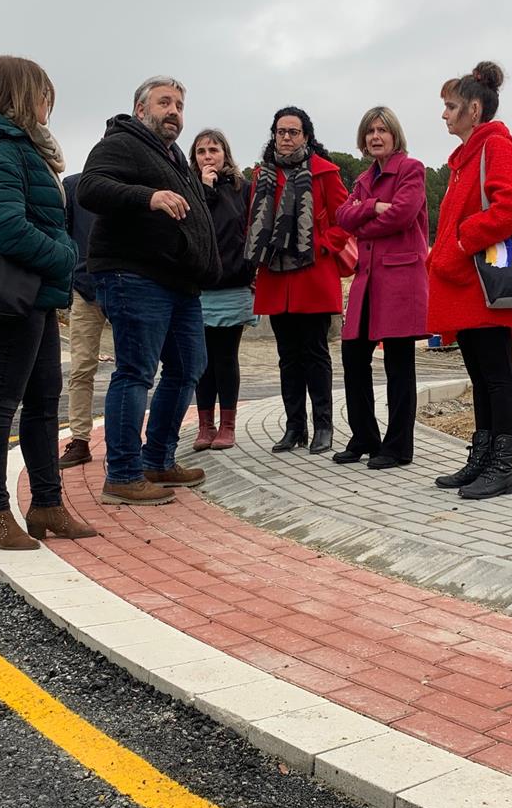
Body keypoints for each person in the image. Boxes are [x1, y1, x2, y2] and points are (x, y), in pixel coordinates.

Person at [0, 55, 96, 547]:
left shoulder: (26, 149)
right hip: (15, 293)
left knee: (42, 402)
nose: (49, 103)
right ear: (21, 95)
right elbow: (6, 225)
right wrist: (65, 256)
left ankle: (47, 506)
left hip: (35, 294)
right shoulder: (3, 150)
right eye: (43, 93)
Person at [77, 76, 221, 505]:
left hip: (179, 281)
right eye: (164, 102)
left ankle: (157, 459)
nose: (174, 110)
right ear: (141, 110)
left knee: (188, 367)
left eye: (179, 104)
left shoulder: (173, 156)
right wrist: (148, 197)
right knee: (136, 371)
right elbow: (90, 188)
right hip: (133, 274)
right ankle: (122, 473)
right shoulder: (121, 141)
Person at [426, 61, 512, 500]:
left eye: (451, 107)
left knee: (497, 377)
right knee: (481, 376)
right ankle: (482, 458)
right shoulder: (466, 157)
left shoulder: (495, 148)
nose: (444, 115)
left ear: (473, 108)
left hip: (484, 288)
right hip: (466, 287)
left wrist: (460, 240)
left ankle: (502, 468)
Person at [245, 107, 351, 455]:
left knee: (315, 354)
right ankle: (294, 428)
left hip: (312, 275)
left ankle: (324, 427)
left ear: (306, 135)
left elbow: (345, 220)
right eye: (281, 131)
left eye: (294, 131)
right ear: (273, 135)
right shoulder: (262, 175)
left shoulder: (325, 173)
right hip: (276, 277)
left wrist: (322, 245)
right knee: (287, 357)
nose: (287, 137)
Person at [333, 106, 428, 468]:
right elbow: (344, 217)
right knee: (353, 357)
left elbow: (403, 214)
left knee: (399, 365)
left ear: (394, 135)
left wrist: (363, 218)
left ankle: (398, 447)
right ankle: (365, 437)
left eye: (382, 130)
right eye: (370, 130)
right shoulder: (362, 179)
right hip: (366, 281)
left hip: (400, 280)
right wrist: (372, 206)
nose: (375, 136)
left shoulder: (411, 170)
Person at [189, 128, 257, 451]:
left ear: (225, 154)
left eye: (213, 150)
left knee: (226, 357)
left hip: (232, 286)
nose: (207, 156)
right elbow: (193, 226)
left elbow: (249, 230)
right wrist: (204, 189)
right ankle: (205, 425)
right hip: (199, 288)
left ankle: (227, 425)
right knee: (202, 361)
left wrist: (251, 270)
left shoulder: (241, 188)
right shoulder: (189, 188)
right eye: (201, 151)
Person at [59, 173, 109, 467]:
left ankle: (124, 441)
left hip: (126, 286)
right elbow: (62, 234)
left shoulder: (136, 185)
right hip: (84, 289)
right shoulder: (74, 186)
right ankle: (79, 440)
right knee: (81, 369)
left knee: (131, 371)